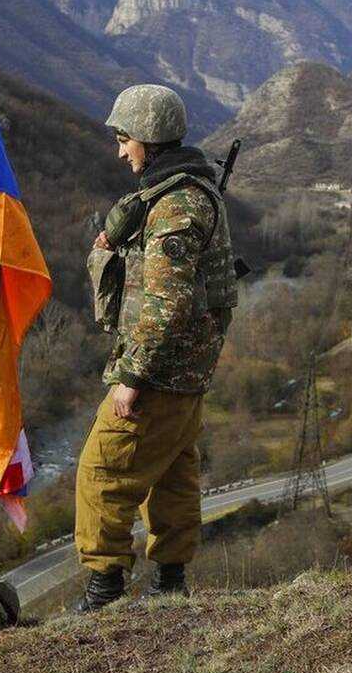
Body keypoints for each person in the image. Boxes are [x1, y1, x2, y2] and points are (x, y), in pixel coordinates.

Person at [74, 84, 238, 612]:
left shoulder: (175, 205)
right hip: (185, 370)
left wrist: (132, 376)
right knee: (171, 472)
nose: (121, 152)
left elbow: (167, 303)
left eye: (125, 140)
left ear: (148, 138)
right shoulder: (184, 192)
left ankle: (104, 593)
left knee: (102, 471)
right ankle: (169, 584)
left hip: (160, 371)